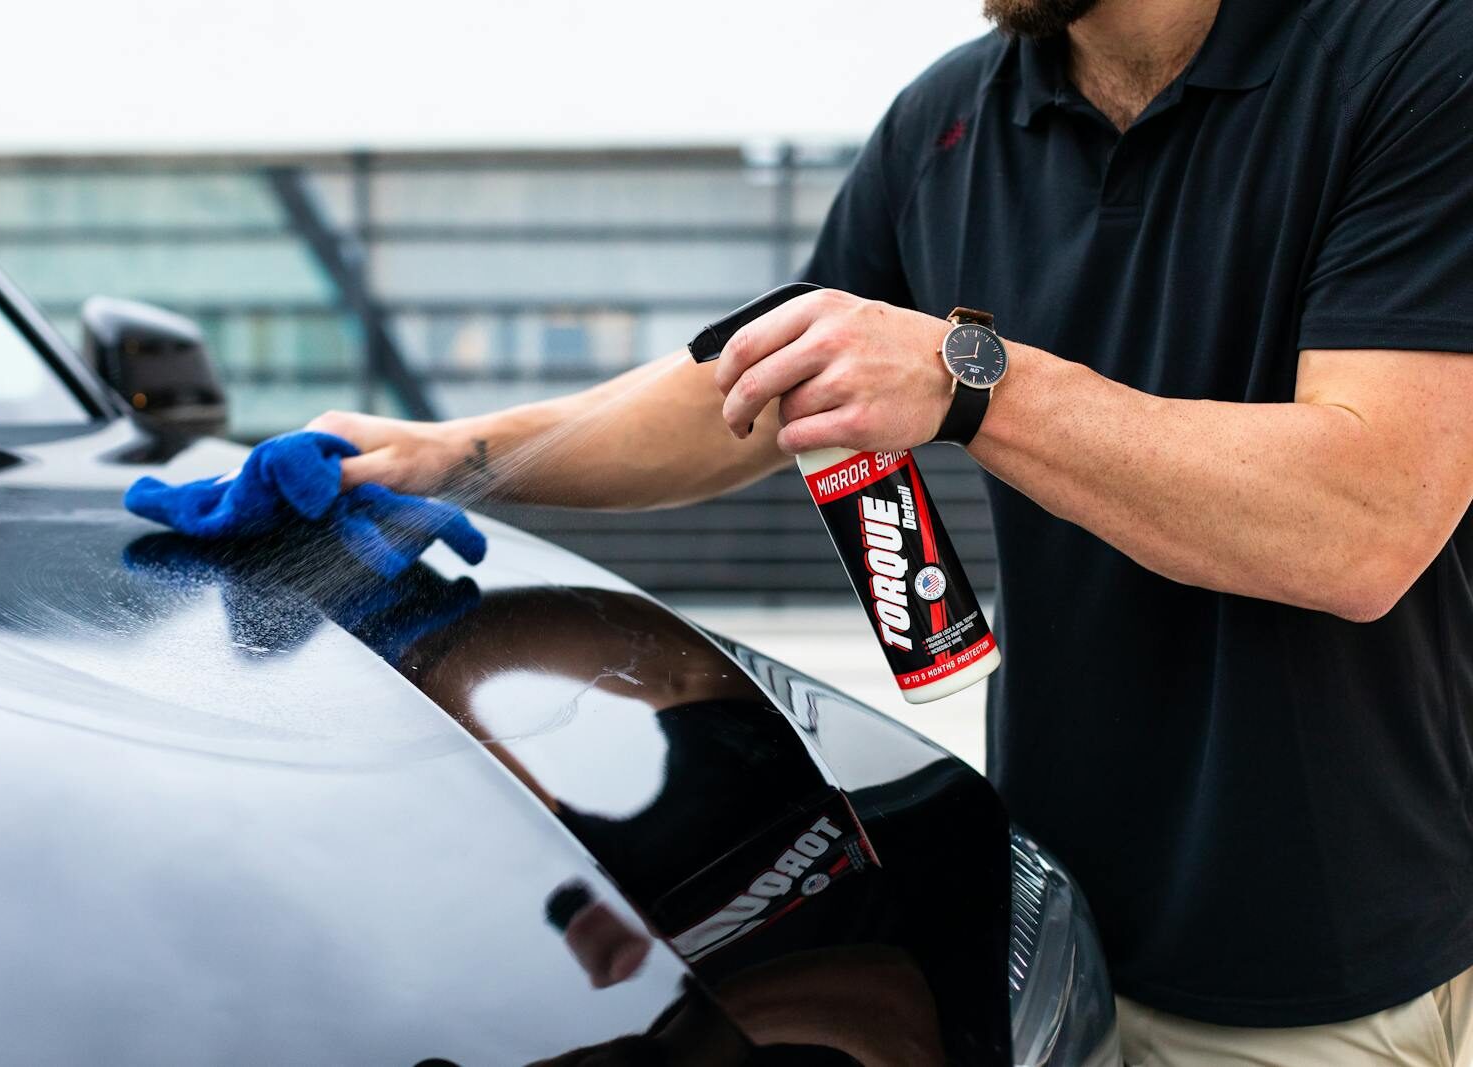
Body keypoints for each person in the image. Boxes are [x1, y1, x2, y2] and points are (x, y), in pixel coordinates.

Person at [310, 0, 1473, 1060]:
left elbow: (1361, 525)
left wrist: (972, 382)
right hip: (1049, 927)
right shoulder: (951, 118)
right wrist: (447, 457)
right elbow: (744, 390)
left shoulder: (1418, 57)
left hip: (1331, 968)